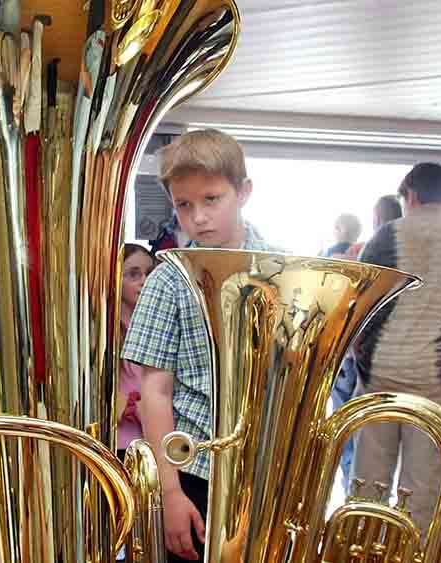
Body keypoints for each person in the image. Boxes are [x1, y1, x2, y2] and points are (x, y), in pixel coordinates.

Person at [122, 129, 282, 562]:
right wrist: (170, 492)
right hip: (193, 472)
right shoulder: (167, 278)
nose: (199, 218)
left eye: (212, 199)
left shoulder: (283, 269)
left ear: (243, 192)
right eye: (184, 205)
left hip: (267, 470)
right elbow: (155, 392)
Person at [351, 162, 441, 533]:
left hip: (381, 372)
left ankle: (361, 551)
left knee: (368, 481)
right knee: (422, 488)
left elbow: (359, 300)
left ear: (410, 195)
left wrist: (359, 349)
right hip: (438, 378)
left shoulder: (385, 235)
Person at [329, 193, 404, 488]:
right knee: (375, 435)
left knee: (350, 428)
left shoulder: (365, 250)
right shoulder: (394, 251)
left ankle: (353, 488)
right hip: (382, 358)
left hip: (355, 354)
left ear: (376, 218)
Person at [117, 243, 156, 458]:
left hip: (157, 440)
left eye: (149, 273)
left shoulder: (160, 325)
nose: (144, 280)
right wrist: (130, 407)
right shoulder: (103, 329)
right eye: (133, 274)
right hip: (120, 442)